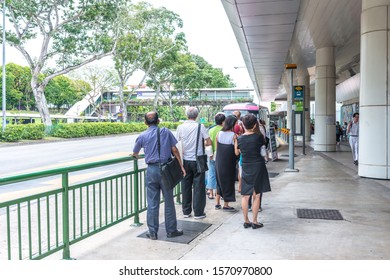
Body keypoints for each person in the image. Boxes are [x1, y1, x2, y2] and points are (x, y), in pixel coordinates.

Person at [132, 112, 186, 240]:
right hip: (165, 170)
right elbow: (174, 150)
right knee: (168, 201)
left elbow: (135, 153)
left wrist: (138, 156)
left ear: (145, 123)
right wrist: (181, 166)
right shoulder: (165, 132)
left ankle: (152, 232)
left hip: (151, 170)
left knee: (152, 202)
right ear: (158, 121)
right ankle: (171, 231)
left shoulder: (142, 136)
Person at [235, 113, 271, 229]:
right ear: (255, 124)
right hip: (258, 166)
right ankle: (255, 221)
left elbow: (237, 152)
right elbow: (264, 146)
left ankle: (246, 221)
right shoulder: (258, 137)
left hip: (246, 166)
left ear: (243, 125)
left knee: (245, 195)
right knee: (257, 195)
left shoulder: (239, 139)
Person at [176, 107, 212, 219]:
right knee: (199, 187)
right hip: (198, 161)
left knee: (185, 186)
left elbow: (176, 143)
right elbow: (208, 141)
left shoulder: (180, 127)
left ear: (187, 115)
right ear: (196, 116)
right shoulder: (200, 126)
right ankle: (198, 213)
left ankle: (186, 212)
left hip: (185, 161)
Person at [215, 115, 238, 211]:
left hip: (219, 161)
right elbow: (236, 152)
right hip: (229, 163)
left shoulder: (218, 133)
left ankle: (217, 203)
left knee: (219, 181)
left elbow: (217, 148)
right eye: (236, 123)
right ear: (232, 124)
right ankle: (226, 204)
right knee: (228, 182)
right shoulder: (233, 136)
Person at [206, 112, 226, 200]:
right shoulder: (225, 130)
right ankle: (221, 193)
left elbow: (208, 143)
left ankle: (210, 192)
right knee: (222, 174)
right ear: (223, 121)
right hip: (222, 155)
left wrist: (210, 154)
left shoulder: (211, 130)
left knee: (211, 173)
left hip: (212, 155)